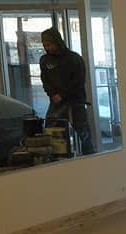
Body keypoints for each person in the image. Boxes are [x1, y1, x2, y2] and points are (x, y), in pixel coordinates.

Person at [39, 27, 95, 155]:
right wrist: (52, 94)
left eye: (49, 44)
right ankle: (58, 157)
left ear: (57, 42)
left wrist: (62, 94)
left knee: (83, 131)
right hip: (56, 102)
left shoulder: (74, 59)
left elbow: (78, 81)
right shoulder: (45, 60)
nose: (47, 48)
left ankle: (90, 155)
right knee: (51, 130)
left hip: (75, 100)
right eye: (45, 45)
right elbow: (45, 80)